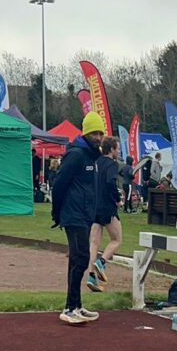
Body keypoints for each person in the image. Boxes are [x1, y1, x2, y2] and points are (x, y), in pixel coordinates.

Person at [51, 111, 105, 325]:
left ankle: (76, 305)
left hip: (84, 214)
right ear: (85, 133)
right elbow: (59, 184)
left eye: (100, 133)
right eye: (94, 133)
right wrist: (57, 212)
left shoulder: (91, 157)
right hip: (73, 214)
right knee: (81, 258)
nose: (98, 137)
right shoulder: (76, 155)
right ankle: (69, 307)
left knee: (77, 259)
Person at [87, 135, 123, 293]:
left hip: (94, 205)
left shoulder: (96, 162)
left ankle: (91, 277)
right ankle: (101, 262)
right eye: (118, 148)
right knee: (117, 239)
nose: (119, 151)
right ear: (112, 149)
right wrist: (118, 199)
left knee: (94, 243)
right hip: (107, 206)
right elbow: (110, 182)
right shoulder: (112, 164)